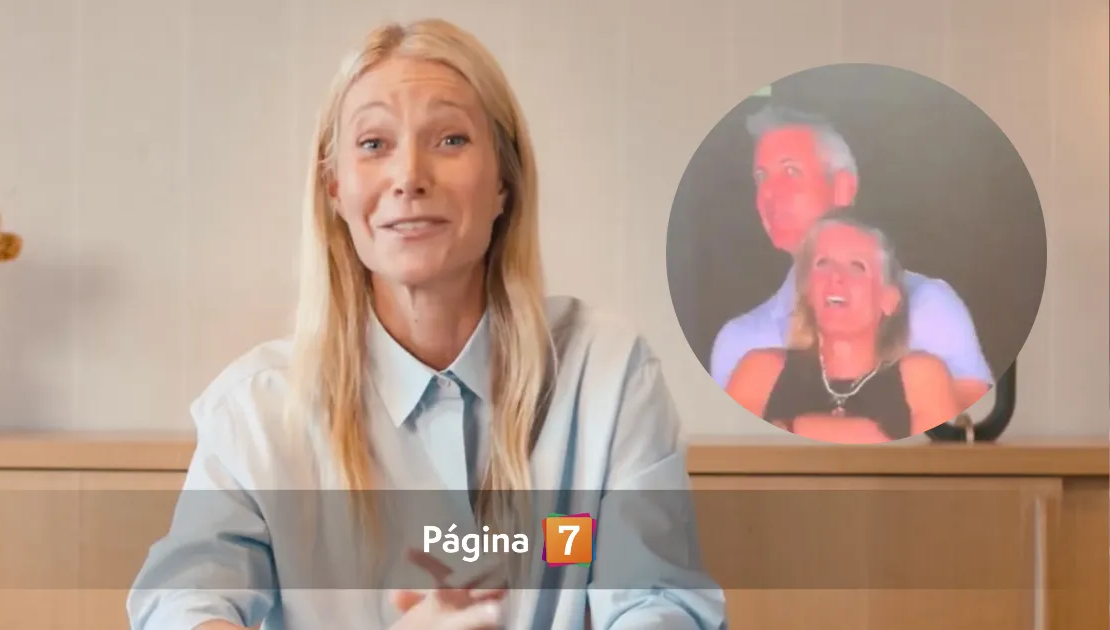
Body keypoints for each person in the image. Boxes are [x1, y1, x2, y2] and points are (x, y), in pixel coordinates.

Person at [126, 18, 727, 630]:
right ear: (335, 189)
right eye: (373, 144)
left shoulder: (608, 375)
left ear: (504, 183)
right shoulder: (255, 411)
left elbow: (659, 602)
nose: (409, 177)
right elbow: (183, 603)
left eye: (450, 140)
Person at [707, 104, 993, 412]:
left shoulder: (928, 305)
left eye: (791, 172)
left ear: (843, 188)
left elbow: (969, 425)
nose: (769, 193)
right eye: (762, 177)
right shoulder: (741, 340)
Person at [725, 215, 961, 443]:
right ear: (808, 291)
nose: (835, 276)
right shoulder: (761, 370)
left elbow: (935, 462)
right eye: (822, 263)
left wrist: (790, 428)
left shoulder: (921, 376)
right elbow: (731, 456)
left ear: (889, 300)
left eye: (857, 266)